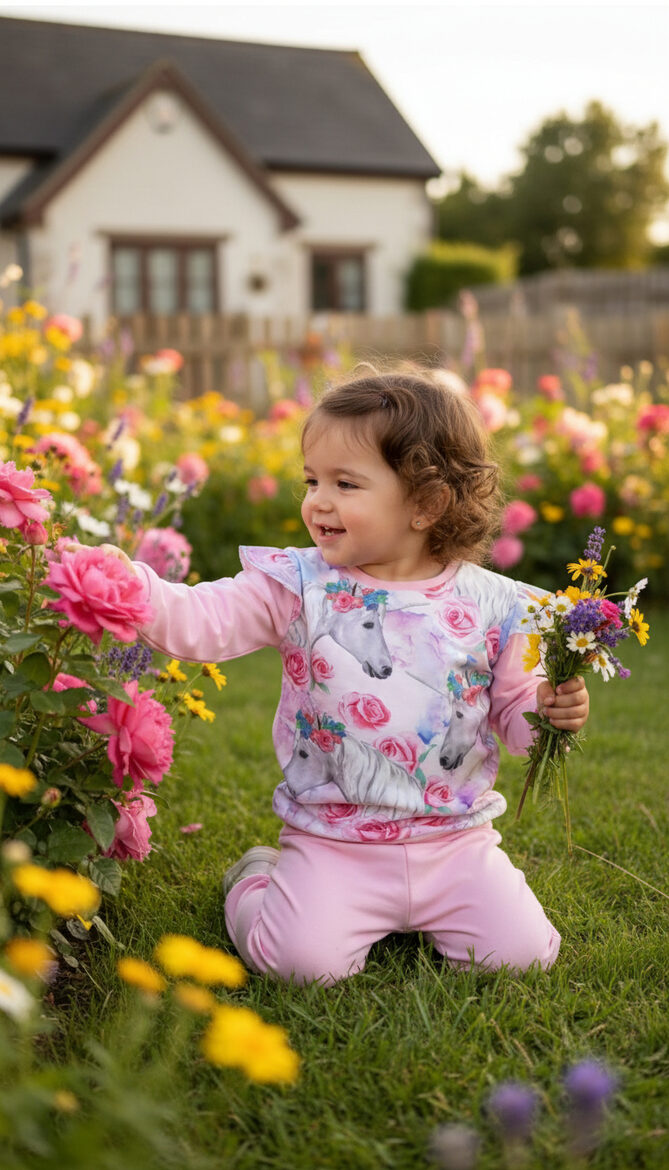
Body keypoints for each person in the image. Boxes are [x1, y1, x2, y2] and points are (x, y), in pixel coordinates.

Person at [108, 371, 589, 986]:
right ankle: (259, 878)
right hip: (334, 842)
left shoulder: (497, 605)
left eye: (345, 483)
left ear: (426, 504)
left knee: (523, 956)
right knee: (301, 967)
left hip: (456, 844)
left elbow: (515, 713)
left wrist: (548, 712)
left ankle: (440, 911)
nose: (318, 501)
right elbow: (206, 621)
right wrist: (132, 587)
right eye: (312, 480)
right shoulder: (299, 585)